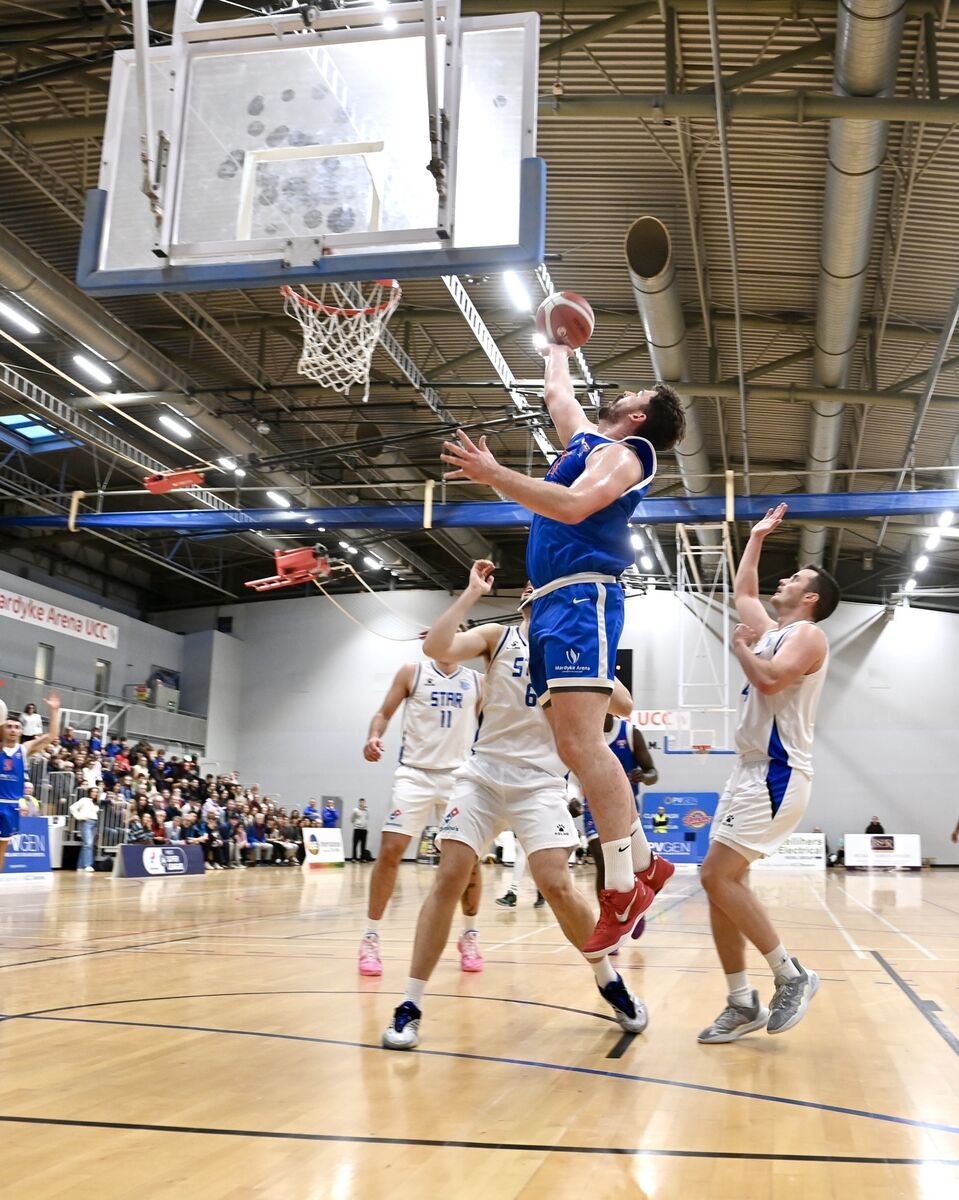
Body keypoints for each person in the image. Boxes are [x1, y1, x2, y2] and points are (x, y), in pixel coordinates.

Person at [441, 345, 686, 958]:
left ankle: (625, 886)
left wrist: (494, 474)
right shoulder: (585, 444)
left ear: (640, 417)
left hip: (583, 597)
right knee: (573, 744)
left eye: (637, 394)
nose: (625, 392)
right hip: (549, 600)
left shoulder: (629, 455)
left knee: (584, 743)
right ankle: (647, 867)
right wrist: (558, 343)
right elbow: (559, 396)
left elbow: (575, 506)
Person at [384, 562, 669, 1051]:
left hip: (541, 783)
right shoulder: (497, 636)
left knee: (556, 884)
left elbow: (622, 705)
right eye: (539, 584)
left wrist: (591, 668)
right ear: (527, 594)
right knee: (449, 874)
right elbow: (436, 648)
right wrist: (471, 594)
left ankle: (609, 981)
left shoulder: (570, 651)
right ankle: (411, 1003)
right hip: (483, 776)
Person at [697, 503, 839, 1044]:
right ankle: (740, 1002)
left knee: (715, 876)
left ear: (811, 599)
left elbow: (773, 682)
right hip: (749, 770)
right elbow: (744, 595)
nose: (785, 578)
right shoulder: (770, 629)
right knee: (720, 886)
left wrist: (739, 652)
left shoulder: (807, 638)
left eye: (796, 578)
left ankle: (790, 974)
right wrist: (754, 538)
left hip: (778, 773)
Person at [360, 650, 483, 978]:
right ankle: (370, 937)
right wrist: (374, 736)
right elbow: (383, 713)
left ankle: (470, 935)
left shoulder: (477, 681)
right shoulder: (411, 673)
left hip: (459, 776)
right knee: (389, 851)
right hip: (414, 773)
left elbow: (493, 725)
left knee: (469, 860)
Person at [1, 697, 61, 873]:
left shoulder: (24, 749)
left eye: (16, 727)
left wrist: (54, 711)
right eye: (9, 726)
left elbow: (51, 736)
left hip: (11, 806)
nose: (13, 730)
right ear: (2, 728)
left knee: (2, 851)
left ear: (21, 731)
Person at [70, 788, 100, 873]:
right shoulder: (84, 800)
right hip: (86, 823)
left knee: (86, 845)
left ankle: (80, 866)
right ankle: (87, 865)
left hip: (94, 823)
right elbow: (72, 807)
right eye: (93, 791)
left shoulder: (95, 803)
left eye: (96, 792)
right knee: (88, 844)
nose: (95, 793)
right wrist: (79, 817)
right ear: (89, 792)